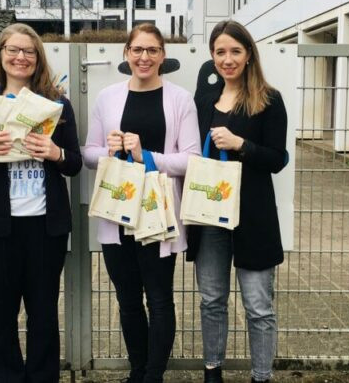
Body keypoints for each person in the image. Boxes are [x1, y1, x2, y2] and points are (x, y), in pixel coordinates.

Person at [0, 23, 82, 383]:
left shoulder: (57, 106)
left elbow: (73, 163)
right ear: (1, 56)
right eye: (13, 49)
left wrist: (56, 152)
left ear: (38, 58)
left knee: (43, 314)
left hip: (46, 227)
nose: (20, 57)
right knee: (0, 315)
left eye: (28, 51)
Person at [82, 23, 201, 383]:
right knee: (128, 300)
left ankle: (154, 374)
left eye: (152, 50)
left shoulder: (180, 99)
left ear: (163, 56)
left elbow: (192, 160)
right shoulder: (108, 97)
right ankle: (138, 370)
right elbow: (87, 155)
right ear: (126, 54)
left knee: (160, 298)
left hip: (158, 213)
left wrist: (146, 155)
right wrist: (111, 150)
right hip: (117, 214)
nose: (144, 57)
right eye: (137, 50)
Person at [188, 20, 289, 383]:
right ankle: (212, 371)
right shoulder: (203, 101)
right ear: (212, 56)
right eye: (220, 52)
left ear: (248, 55)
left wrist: (241, 145)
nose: (227, 59)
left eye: (235, 51)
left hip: (254, 217)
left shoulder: (269, 100)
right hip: (209, 214)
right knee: (211, 300)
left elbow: (278, 159)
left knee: (258, 307)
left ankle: (261, 376)